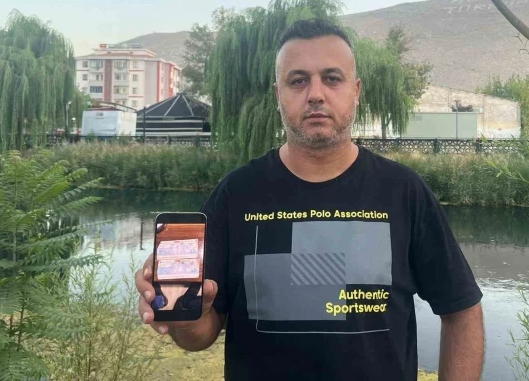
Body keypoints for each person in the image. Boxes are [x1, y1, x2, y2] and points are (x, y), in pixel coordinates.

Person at [136, 19, 485, 380]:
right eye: (298, 81)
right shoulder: (236, 193)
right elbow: (200, 336)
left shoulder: (404, 191)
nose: (316, 94)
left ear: (356, 91)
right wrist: (185, 317)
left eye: (332, 78)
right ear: (279, 94)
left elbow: (462, 310)